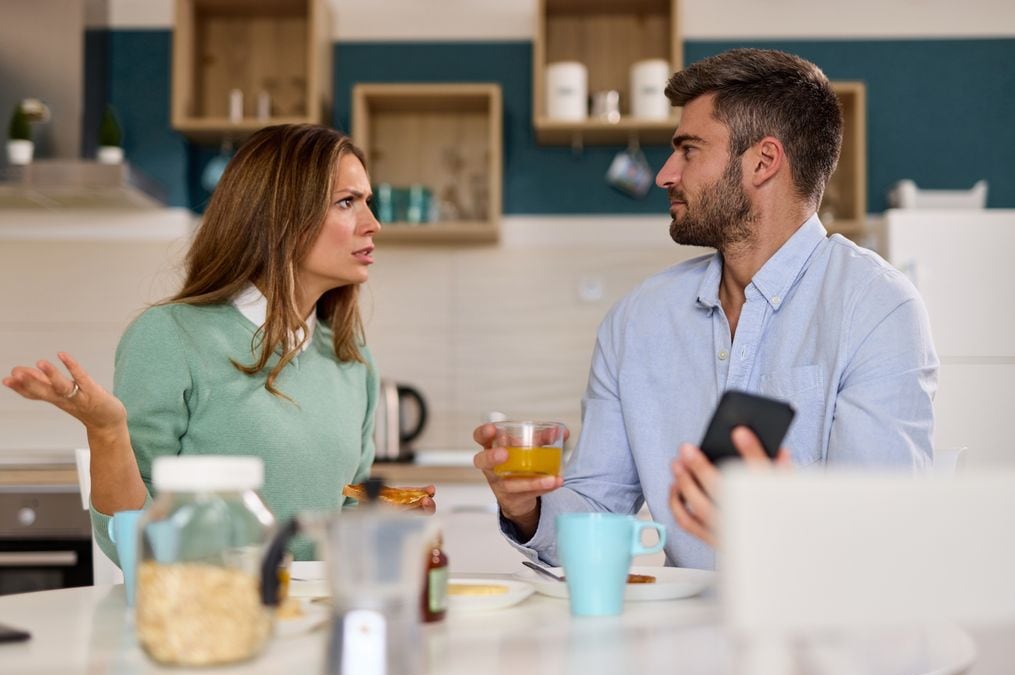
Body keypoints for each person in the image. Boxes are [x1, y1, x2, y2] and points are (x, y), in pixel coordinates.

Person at [472, 48, 938, 569]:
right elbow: (596, 515)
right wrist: (528, 508)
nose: (665, 175)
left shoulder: (877, 308)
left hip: (820, 643)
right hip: (679, 641)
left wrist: (783, 524)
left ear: (763, 161)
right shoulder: (636, 322)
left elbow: (886, 538)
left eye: (688, 150)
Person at [3, 124, 435, 563]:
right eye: (347, 202)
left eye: (368, 202)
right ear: (281, 215)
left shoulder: (352, 359)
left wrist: (387, 519)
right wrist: (107, 432)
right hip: (211, 617)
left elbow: (344, 505)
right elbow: (129, 543)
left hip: (314, 622)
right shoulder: (170, 337)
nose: (373, 223)